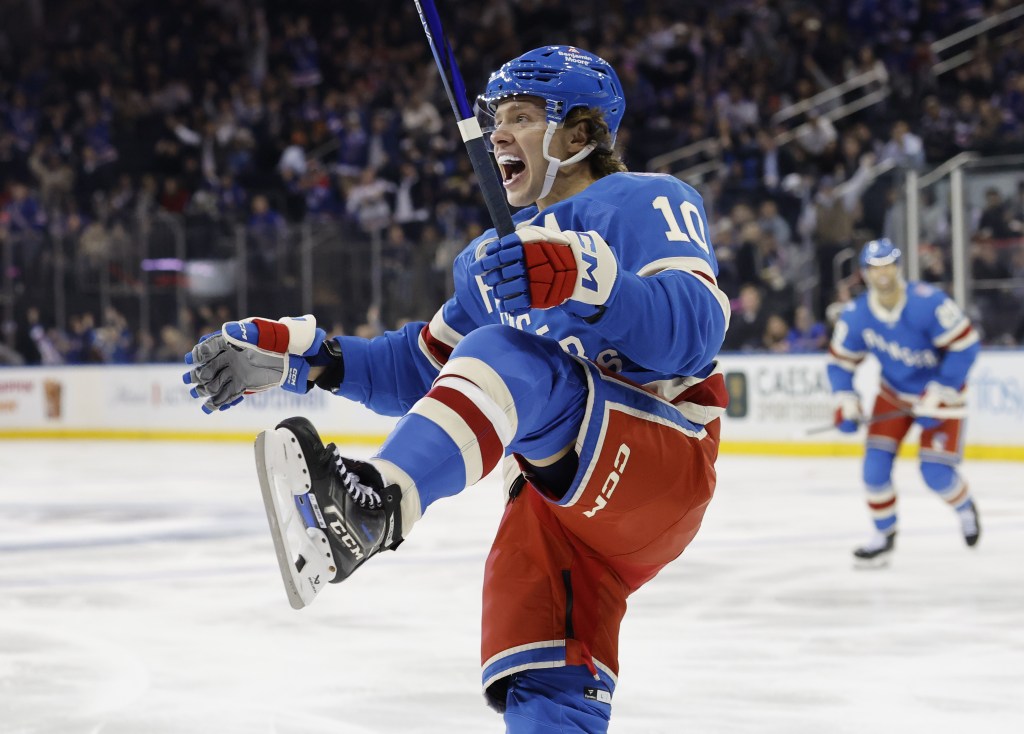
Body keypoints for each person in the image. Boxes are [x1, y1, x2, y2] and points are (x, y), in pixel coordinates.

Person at [184, 45, 729, 733]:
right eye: (497, 119)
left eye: (525, 117)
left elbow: (696, 328)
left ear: (581, 135)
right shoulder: (489, 263)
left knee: (504, 350)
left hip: (656, 460)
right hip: (553, 510)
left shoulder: (643, 198)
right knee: (545, 687)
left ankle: (379, 503)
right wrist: (306, 357)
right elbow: (418, 368)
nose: (499, 133)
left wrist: (591, 281)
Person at [827, 238, 981, 568]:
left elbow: (965, 345)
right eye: (874, 268)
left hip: (941, 395)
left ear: (898, 267)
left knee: (936, 473)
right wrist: (846, 399)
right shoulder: (857, 315)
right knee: (874, 469)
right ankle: (884, 538)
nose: (882, 275)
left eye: (887, 266)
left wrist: (941, 390)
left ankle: (966, 508)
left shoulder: (929, 303)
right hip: (893, 393)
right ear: (865, 273)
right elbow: (840, 363)